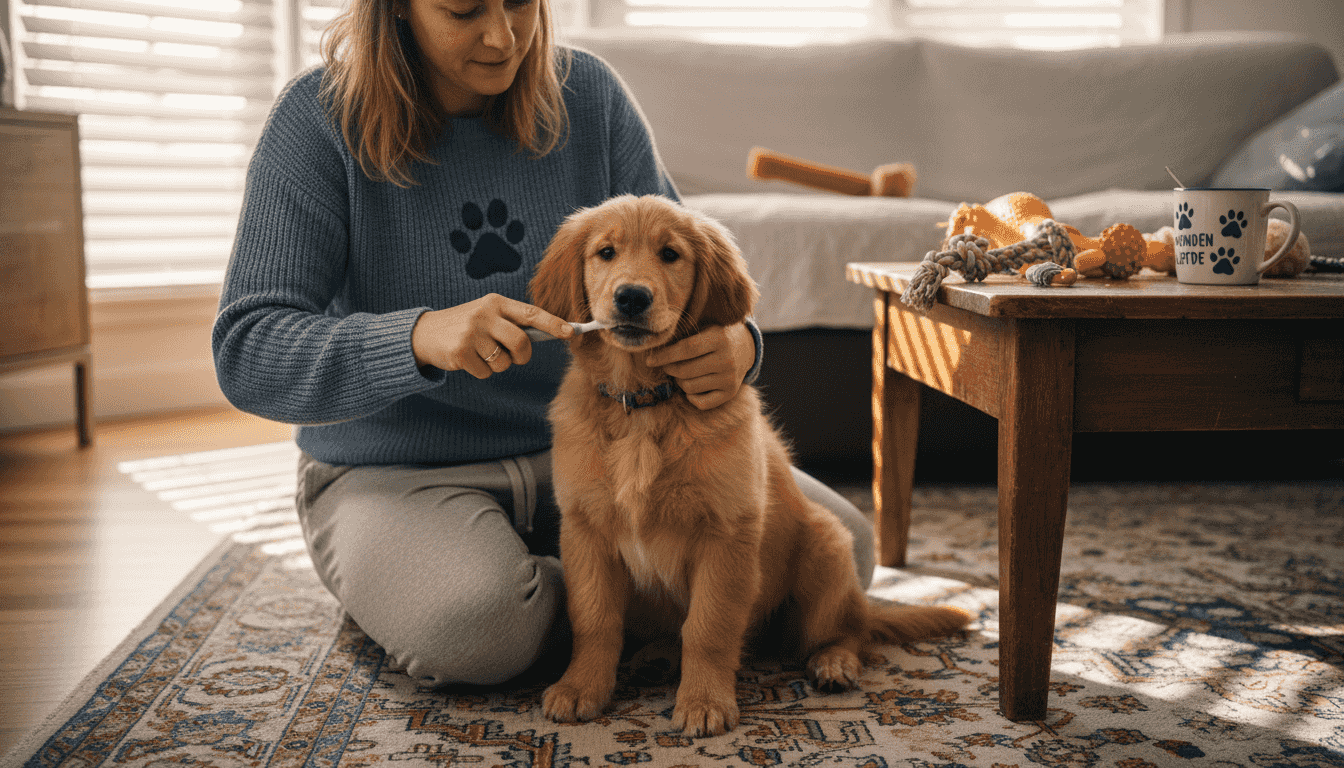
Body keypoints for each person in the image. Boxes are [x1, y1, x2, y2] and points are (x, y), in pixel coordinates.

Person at [212, 0, 875, 687]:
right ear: (398, 10)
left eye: (522, 4)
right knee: (479, 629)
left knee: (842, 550)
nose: (503, 37)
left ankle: (592, 584)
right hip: (400, 470)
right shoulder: (315, 121)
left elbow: (686, 274)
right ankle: (563, 597)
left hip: (591, 451)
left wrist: (741, 345)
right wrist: (416, 338)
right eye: (464, 10)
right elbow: (247, 349)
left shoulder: (589, 96)